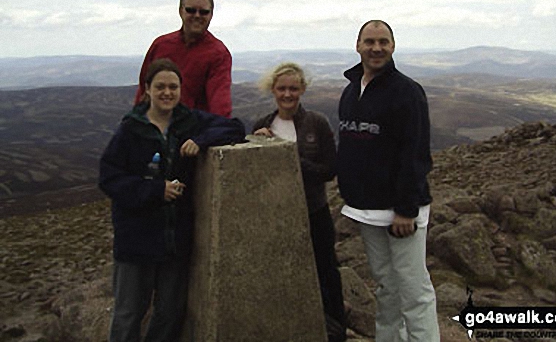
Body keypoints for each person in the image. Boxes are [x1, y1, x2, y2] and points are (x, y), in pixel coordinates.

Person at [100, 58, 245, 342]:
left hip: (175, 240)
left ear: (181, 89)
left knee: (169, 311)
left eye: (173, 87)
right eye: (160, 87)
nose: (167, 92)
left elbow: (235, 128)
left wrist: (202, 140)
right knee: (129, 312)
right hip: (137, 239)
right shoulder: (131, 130)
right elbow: (109, 178)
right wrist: (155, 191)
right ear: (147, 90)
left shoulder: (188, 121)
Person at [337, 20, 440, 342]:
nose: (376, 48)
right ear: (358, 45)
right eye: (370, 41)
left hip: (400, 211)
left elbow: (415, 153)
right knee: (386, 285)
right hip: (367, 209)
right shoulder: (352, 89)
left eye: (383, 41)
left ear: (393, 46)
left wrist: (407, 210)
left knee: (413, 289)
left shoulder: (407, 92)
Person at [252, 62, 347, 342]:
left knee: (326, 271)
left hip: (314, 211)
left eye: (293, 88)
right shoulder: (263, 125)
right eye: (282, 88)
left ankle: (335, 329)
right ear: (273, 90)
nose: (287, 94)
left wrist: (289, 157)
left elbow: (330, 170)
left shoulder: (317, 123)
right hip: (276, 215)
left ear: (302, 89)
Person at [134, 0, 232, 117]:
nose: (197, 16)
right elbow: (143, 90)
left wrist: (220, 130)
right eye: (191, 10)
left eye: (203, 12)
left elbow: (219, 102)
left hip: (194, 132)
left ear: (211, 15)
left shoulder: (218, 54)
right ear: (181, 11)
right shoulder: (161, 45)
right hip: (155, 128)